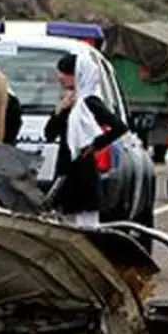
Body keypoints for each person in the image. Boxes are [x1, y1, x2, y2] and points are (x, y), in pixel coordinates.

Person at [44, 53, 128, 227]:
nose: (60, 78)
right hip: (66, 167)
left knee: (86, 222)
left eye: (66, 73)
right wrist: (59, 112)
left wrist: (95, 145)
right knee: (64, 220)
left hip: (83, 169)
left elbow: (119, 127)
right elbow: (50, 134)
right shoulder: (69, 102)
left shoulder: (90, 102)